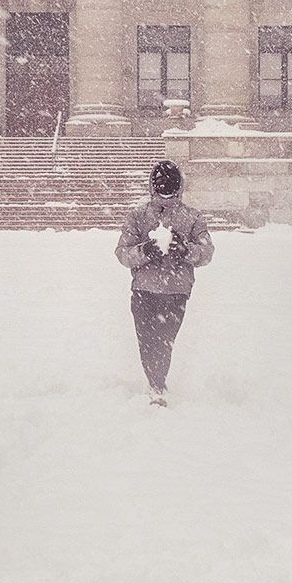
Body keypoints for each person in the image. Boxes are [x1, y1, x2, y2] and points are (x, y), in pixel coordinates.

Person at [114, 159, 215, 404]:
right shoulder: (138, 216)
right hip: (144, 289)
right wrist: (145, 251)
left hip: (175, 290)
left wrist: (184, 249)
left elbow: (207, 252)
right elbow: (122, 253)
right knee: (147, 340)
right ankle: (155, 383)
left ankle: (157, 383)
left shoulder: (192, 217)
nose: (165, 188)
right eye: (160, 183)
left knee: (164, 339)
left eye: (169, 183)